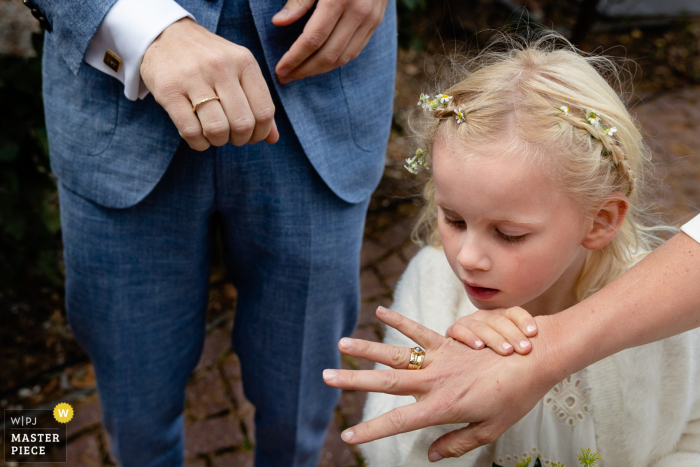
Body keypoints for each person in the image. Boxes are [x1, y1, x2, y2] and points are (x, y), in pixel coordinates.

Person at [30, 0, 396, 465]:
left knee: (301, 401)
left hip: (320, 73)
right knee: (135, 410)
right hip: (117, 102)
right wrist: (141, 25)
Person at [323, 34, 700, 465]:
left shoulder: (663, 307)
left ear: (600, 221)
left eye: (508, 233)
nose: (466, 257)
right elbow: (388, 455)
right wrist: (445, 404)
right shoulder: (431, 287)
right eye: (454, 219)